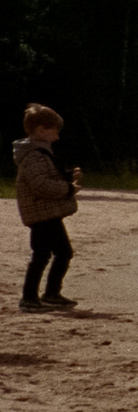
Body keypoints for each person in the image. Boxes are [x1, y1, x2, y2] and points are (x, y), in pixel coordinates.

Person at [15, 103, 80, 311]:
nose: (57, 136)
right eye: (55, 131)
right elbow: (41, 185)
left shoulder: (41, 153)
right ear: (41, 130)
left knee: (62, 252)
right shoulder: (33, 156)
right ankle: (29, 298)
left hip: (48, 213)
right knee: (42, 255)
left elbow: (47, 178)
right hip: (41, 214)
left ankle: (51, 293)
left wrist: (69, 177)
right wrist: (68, 188)